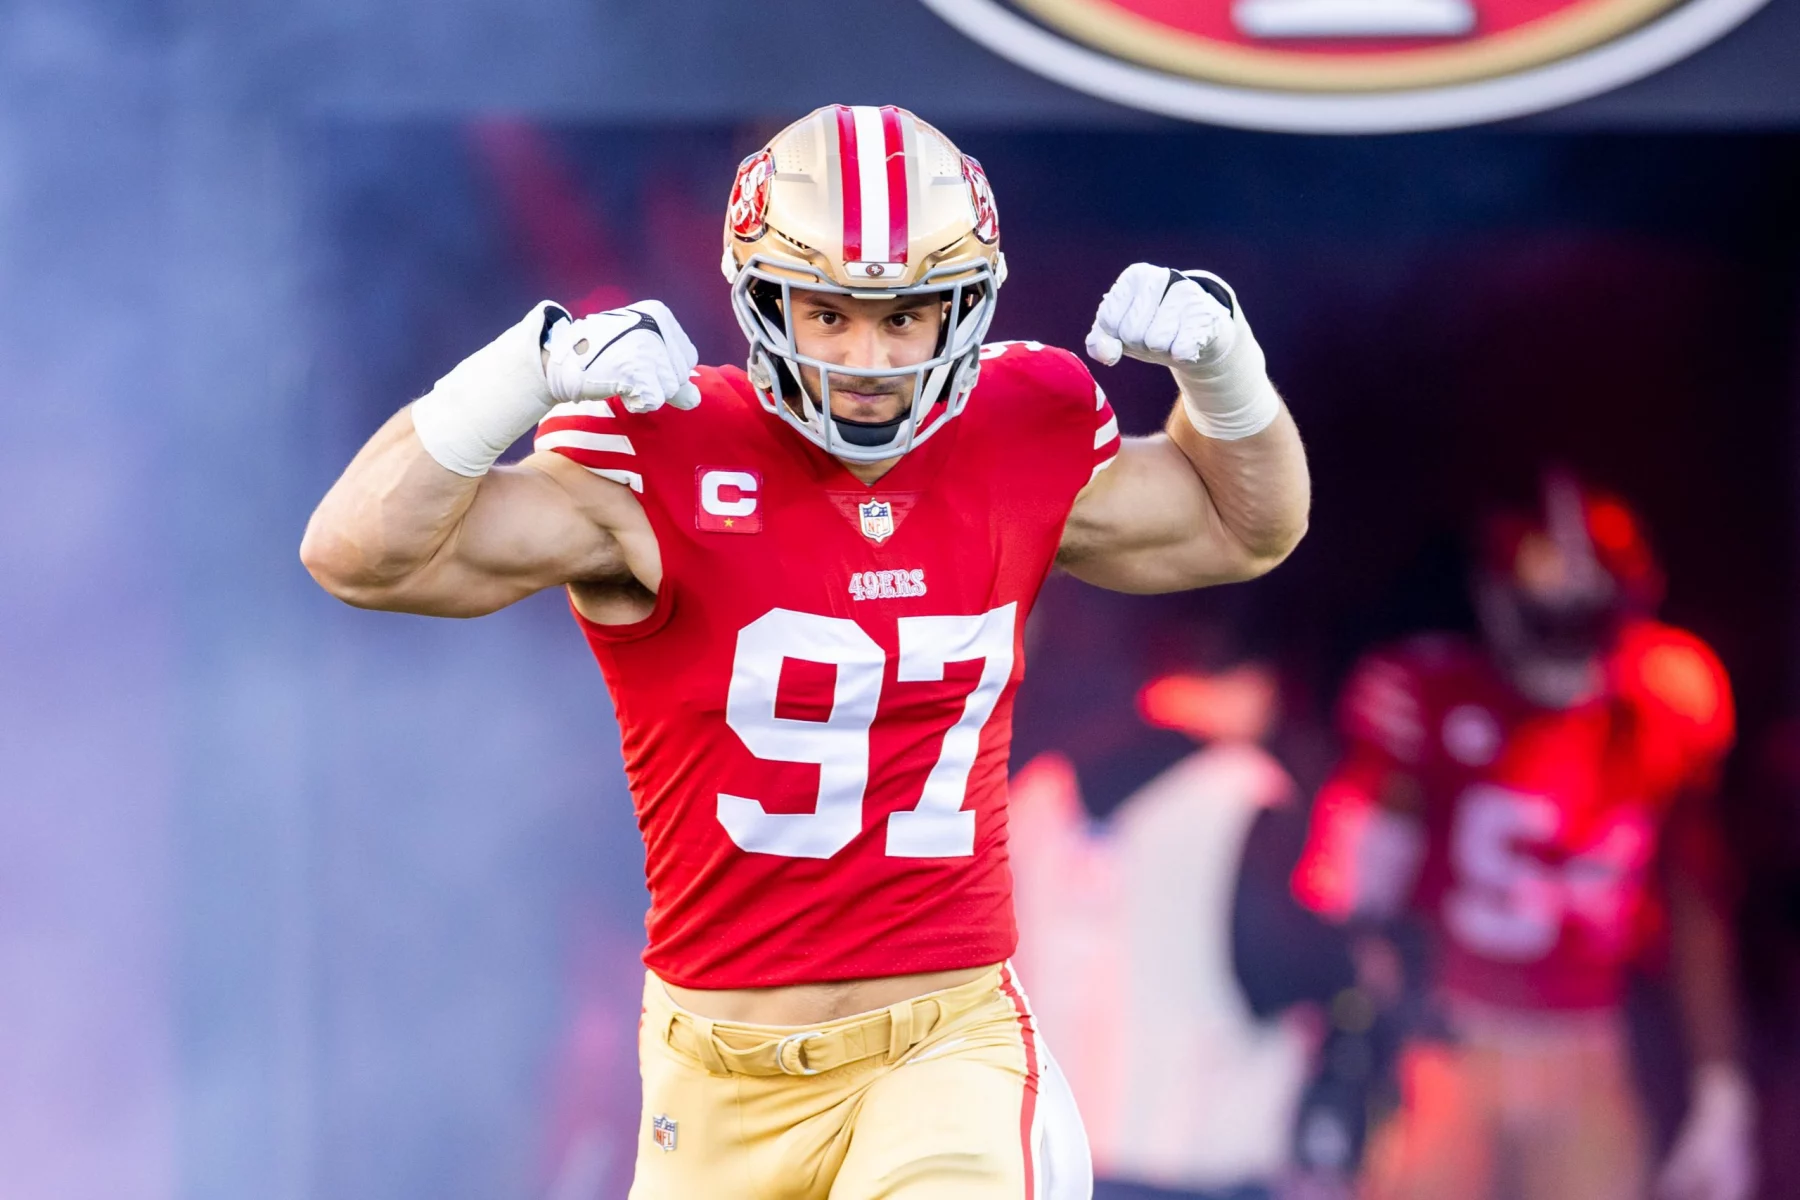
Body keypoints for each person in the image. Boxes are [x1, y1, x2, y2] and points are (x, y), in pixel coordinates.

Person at [300, 104, 1310, 1199]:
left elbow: (1243, 524)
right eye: (827, 313)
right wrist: (522, 368)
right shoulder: (660, 453)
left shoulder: (1024, 430)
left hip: (943, 1049)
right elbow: (359, 555)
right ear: (762, 299)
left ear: (965, 312)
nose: (866, 360)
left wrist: (1226, 373)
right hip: (712, 1072)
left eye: (905, 317)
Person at [1293, 474, 1754, 1200]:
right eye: (1550, 617)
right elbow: (1352, 893)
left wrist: (1724, 1091)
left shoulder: (1664, 699)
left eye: (1587, 616)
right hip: (1446, 1045)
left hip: (1586, 1045)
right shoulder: (1424, 693)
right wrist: (1337, 1053)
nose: (1568, 640)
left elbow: (1698, 903)